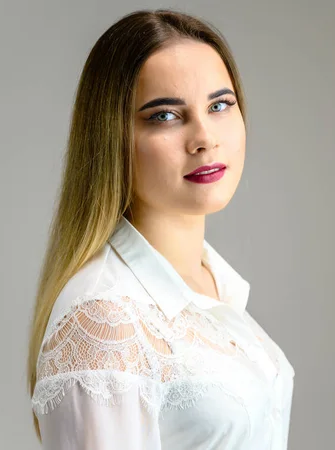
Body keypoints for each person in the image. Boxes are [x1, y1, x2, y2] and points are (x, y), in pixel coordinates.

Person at [26, 8, 295, 449]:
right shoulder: (105, 318)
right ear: (110, 136)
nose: (205, 137)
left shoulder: (215, 286)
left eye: (220, 105)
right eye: (166, 116)